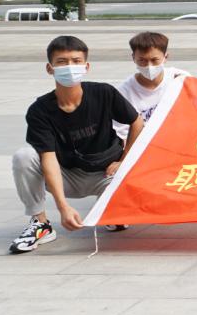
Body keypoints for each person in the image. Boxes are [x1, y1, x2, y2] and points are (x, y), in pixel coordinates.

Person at [10, 36, 144, 253]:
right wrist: (63, 207)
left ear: (86, 66)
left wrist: (124, 160)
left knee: (123, 212)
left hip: (108, 174)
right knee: (24, 156)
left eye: (76, 61)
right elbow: (48, 157)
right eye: (62, 62)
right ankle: (40, 223)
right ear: (50, 68)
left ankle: (110, 210)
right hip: (67, 176)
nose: (70, 67)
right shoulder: (40, 110)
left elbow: (136, 122)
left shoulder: (104, 93)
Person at [114, 31, 188, 141]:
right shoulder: (123, 93)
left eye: (154, 60)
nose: (149, 66)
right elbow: (122, 135)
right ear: (133, 58)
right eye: (142, 60)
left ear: (165, 57)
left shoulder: (181, 78)